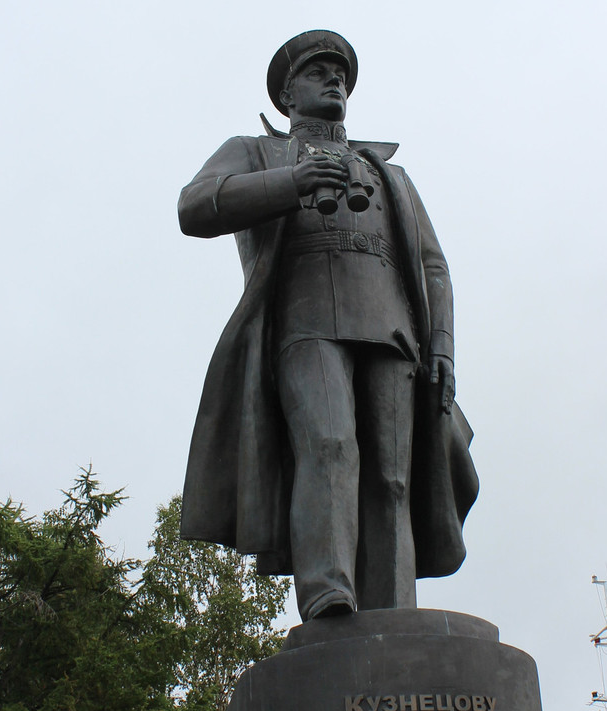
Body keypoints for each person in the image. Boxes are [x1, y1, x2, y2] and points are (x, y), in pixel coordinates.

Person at [178, 30, 477, 621]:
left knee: (393, 478)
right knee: (330, 443)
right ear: (287, 96)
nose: (334, 80)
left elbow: (432, 266)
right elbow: (195, 205)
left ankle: (393, 610)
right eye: (317, 72)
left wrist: (441, 347)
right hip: (305, 326)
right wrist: (293, 184)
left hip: (392, 334)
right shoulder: (258, 153)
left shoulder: (388, 174)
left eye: (339, 73)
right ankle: (328, 593)